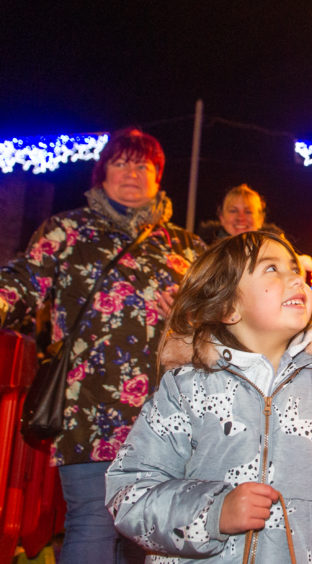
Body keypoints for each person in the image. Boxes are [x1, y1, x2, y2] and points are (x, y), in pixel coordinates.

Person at [104, 231, 312, 562]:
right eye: (272, 269)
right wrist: (215, 511)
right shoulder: (188, 387)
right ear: (229, 308)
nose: (294, 279)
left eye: (295, 269)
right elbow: (130, 494)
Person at [0, 127, 206, 563]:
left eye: (143, 165)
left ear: (158, 177)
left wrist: (191, 317)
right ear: (102, 173)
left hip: (166, 411)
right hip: (87, 405)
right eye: (121, 162)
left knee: (151, 529)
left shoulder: (185, 246)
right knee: (94, 518)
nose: (132, 172)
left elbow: (224, 316)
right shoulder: (67, 230)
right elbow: (21, 283)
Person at [197, 183, 283, 244]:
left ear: (260, 219)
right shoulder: (198, 252)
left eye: (248, 212)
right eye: (233, 211)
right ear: (222, 217)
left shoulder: (278, 253)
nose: (241, 218)